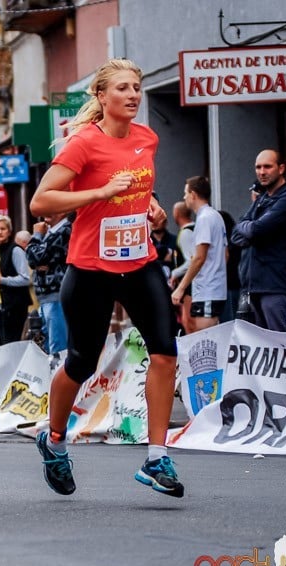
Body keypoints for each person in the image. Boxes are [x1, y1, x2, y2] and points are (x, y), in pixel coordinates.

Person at [28, 58, 184, 499]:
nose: (133, 95)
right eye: (122, 88)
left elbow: (137, 184)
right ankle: (54, 439)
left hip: (140, 262)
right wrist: (97, 194)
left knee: (165, 353)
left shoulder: (146, 138)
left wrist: (151, 205)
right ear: (101, 96)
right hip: (91, 269)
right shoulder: (83, 144)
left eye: (137, 87)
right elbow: (42, 202)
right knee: (82, 361)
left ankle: (157, 457)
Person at [230, 149, 286, 332]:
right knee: (263, 351)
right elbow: (235, 234)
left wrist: (250, 229)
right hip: (253, 286)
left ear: (281, 169)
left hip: (275, 286)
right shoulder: (263, 198)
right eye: (258, 167)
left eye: (267, 166)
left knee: (282, 347)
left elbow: (256, 229)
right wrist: (250, 229)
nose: (262, 172)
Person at [171, 176, 228, 331]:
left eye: (186, 193)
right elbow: (225, 254)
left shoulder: (204, 218)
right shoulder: (215, 216)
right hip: (213, 288)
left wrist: (181, 287)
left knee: (207, 341)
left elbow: (199, 257)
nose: (184, 197)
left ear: (193, 194)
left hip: (207, 290)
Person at [27, 212, 73, 355]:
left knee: (58, 348)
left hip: (56, 296)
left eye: (51, 208)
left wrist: (36, 236)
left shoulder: (65, 230)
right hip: (47, 298)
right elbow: (37, 260)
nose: (46, 211)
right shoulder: (52, 231)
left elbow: (34, 257)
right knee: (45, 344)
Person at [0, 215, 32, 343]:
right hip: (0, 305)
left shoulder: (15, 250)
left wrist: (2, 279)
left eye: (3, 229)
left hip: (15, 305)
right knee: (4, 344)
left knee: (13, 344)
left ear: (9, 231)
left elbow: (25, 279)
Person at [170, 201, 196, 334]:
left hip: (190, 285)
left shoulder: (186, 233)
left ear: (177, 214)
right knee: (186, 321)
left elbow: (191, 261)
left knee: (189, 322)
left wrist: (174, 273)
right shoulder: (194, 229)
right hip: (191, 285)